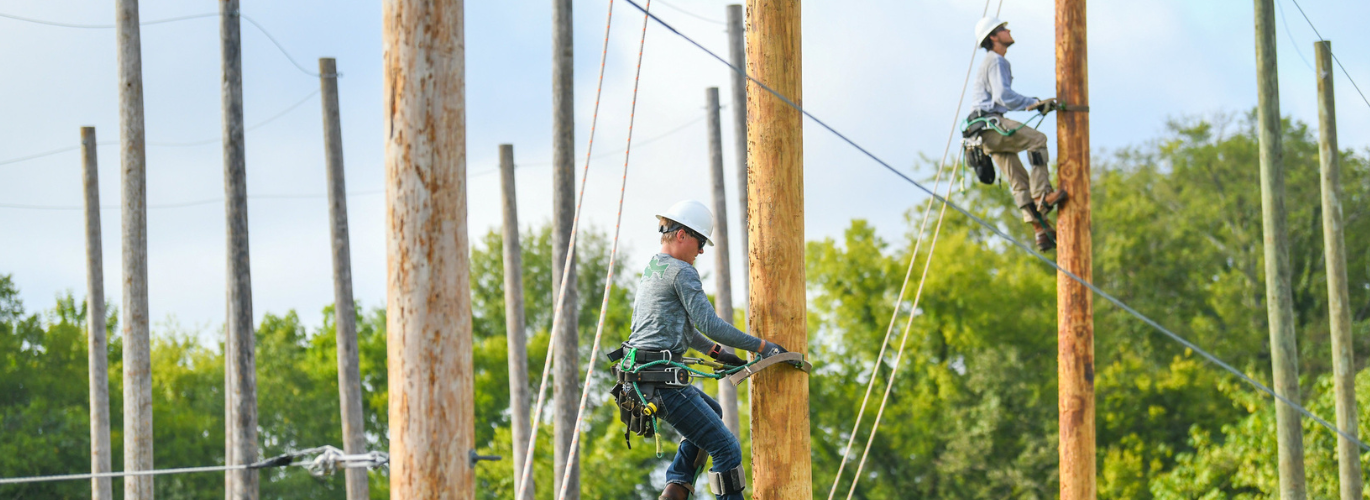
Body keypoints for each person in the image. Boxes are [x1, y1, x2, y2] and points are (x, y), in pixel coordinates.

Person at [620, 199, 789, 500]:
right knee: (726, 447)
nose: (700, 252)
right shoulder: (682, 272)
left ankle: (677, 487)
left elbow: (683, 329)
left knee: (713, 411)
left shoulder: (654, 268)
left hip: (643, 376)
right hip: (661, 379)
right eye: (700, 243)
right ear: (682, 235)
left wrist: (718, 354)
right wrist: (763, 347)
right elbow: (709, 324)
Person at [969, 16, 1068, 251]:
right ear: (993, 37)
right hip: (991, 124)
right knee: (1037, 140)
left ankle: (1039, 229)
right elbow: (1004, 96)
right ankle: (1043, 195)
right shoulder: (996, 60)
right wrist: (1032, 102)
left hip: (981, 134)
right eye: (1003, 29)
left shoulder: (991, 61)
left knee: (1017, 178)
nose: (1008, 30)